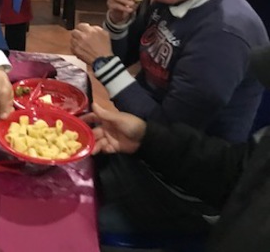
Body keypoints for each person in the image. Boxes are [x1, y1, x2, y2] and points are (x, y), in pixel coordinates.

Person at [71, 0, 269, 234]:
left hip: (182, 188)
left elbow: (167, 132)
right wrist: (118, 23)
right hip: (141, 150)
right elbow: (133, 52)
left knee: (74, 218)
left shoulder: (225, 33)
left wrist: (105, 65)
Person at [89, 63, 270, 252]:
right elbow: (233, 169)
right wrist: (147, 137)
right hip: (160, 170)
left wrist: (106, 64)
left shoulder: (225, 43)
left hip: (180, 201)